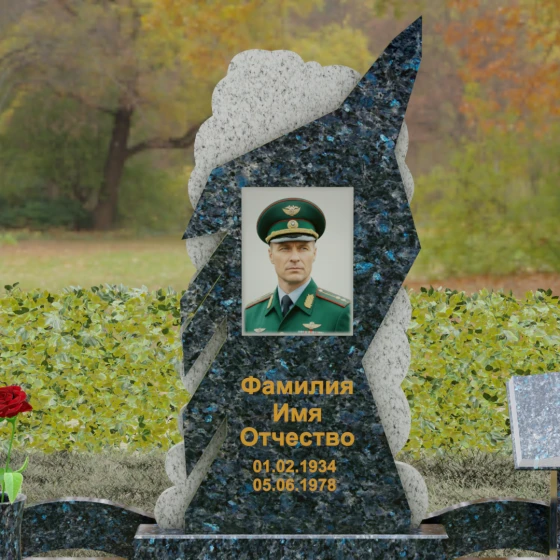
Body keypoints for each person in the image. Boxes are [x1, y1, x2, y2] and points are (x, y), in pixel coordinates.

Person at [244, 197, 351, 334]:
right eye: (284, 248)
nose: (295, 258)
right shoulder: (250, 315)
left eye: (303, 248)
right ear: (271, 255)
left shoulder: (339, 313)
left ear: (314, 254)